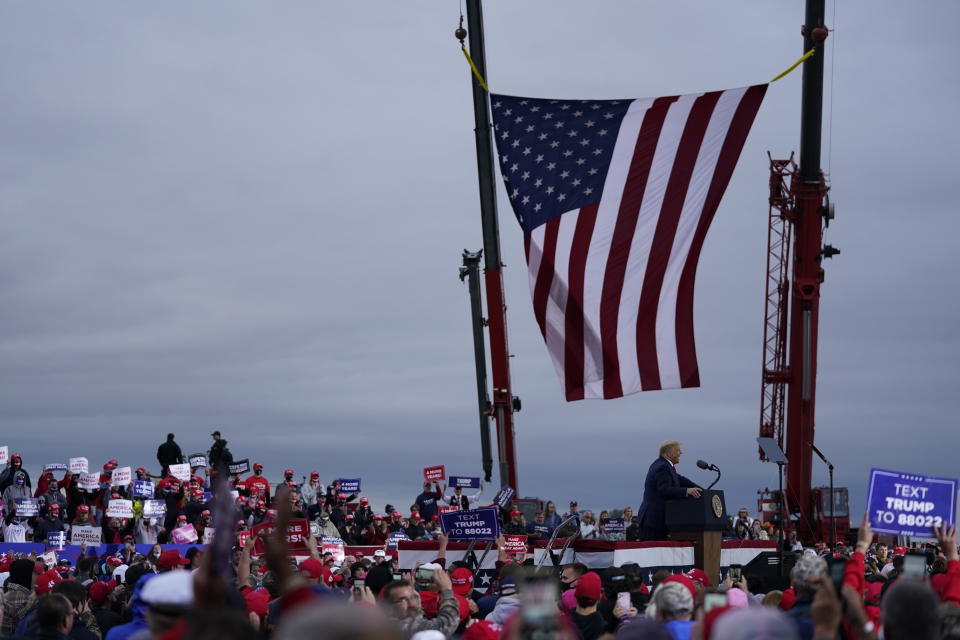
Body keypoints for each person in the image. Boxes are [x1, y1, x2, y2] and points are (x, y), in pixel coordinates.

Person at [636, 440, 702, 541]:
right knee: (652, 553)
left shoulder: (666, 466)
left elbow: (682, 480)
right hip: (653, 521)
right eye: (678, 451)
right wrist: (687, 491)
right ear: (668, 453)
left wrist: (703, 491)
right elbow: (664, 490)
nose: (681, 453)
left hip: (656, 520)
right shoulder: (662, 467)